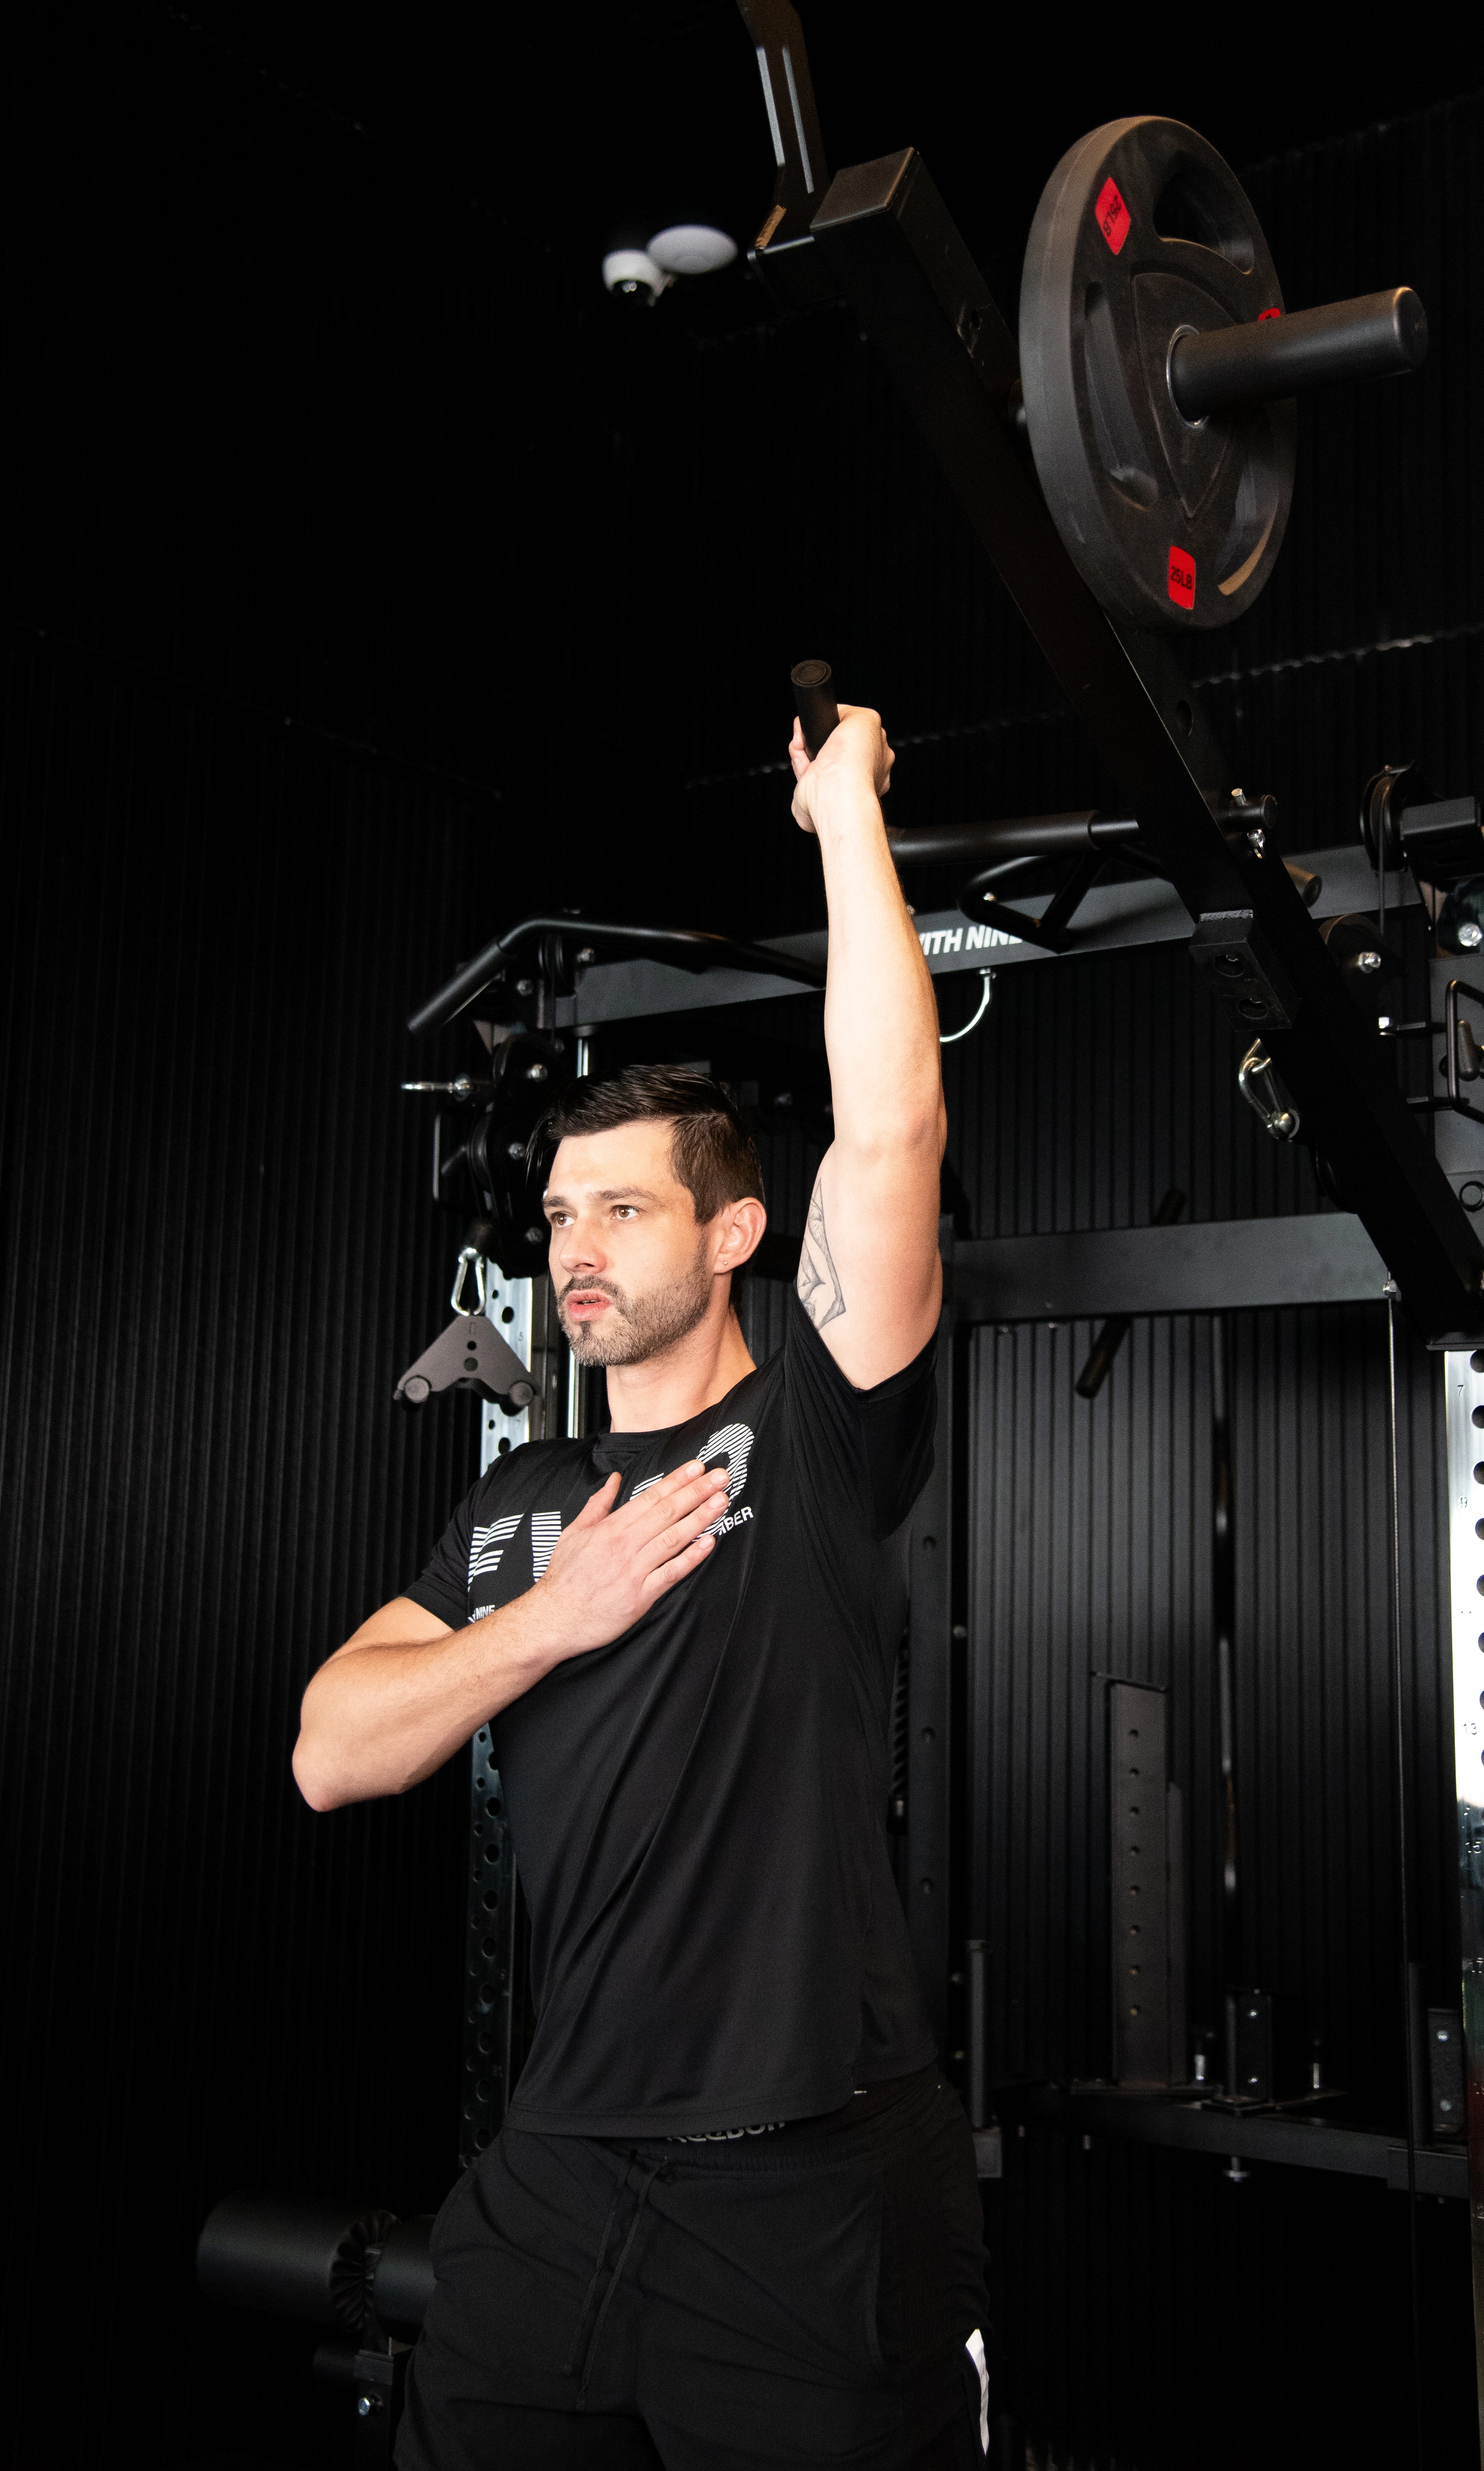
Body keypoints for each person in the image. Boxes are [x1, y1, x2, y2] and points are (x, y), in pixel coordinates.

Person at [293, 703, 988, 2469]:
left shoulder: (810, 1437)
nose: (574, 1250)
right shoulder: (520, 1504)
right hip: (557, 2172)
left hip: (806, 2186)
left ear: (734, 1235)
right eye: (557, 1219)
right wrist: (550, 1620)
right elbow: (332, 1751)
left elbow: (889, 1131)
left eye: (621, 1212)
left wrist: (845, 813)